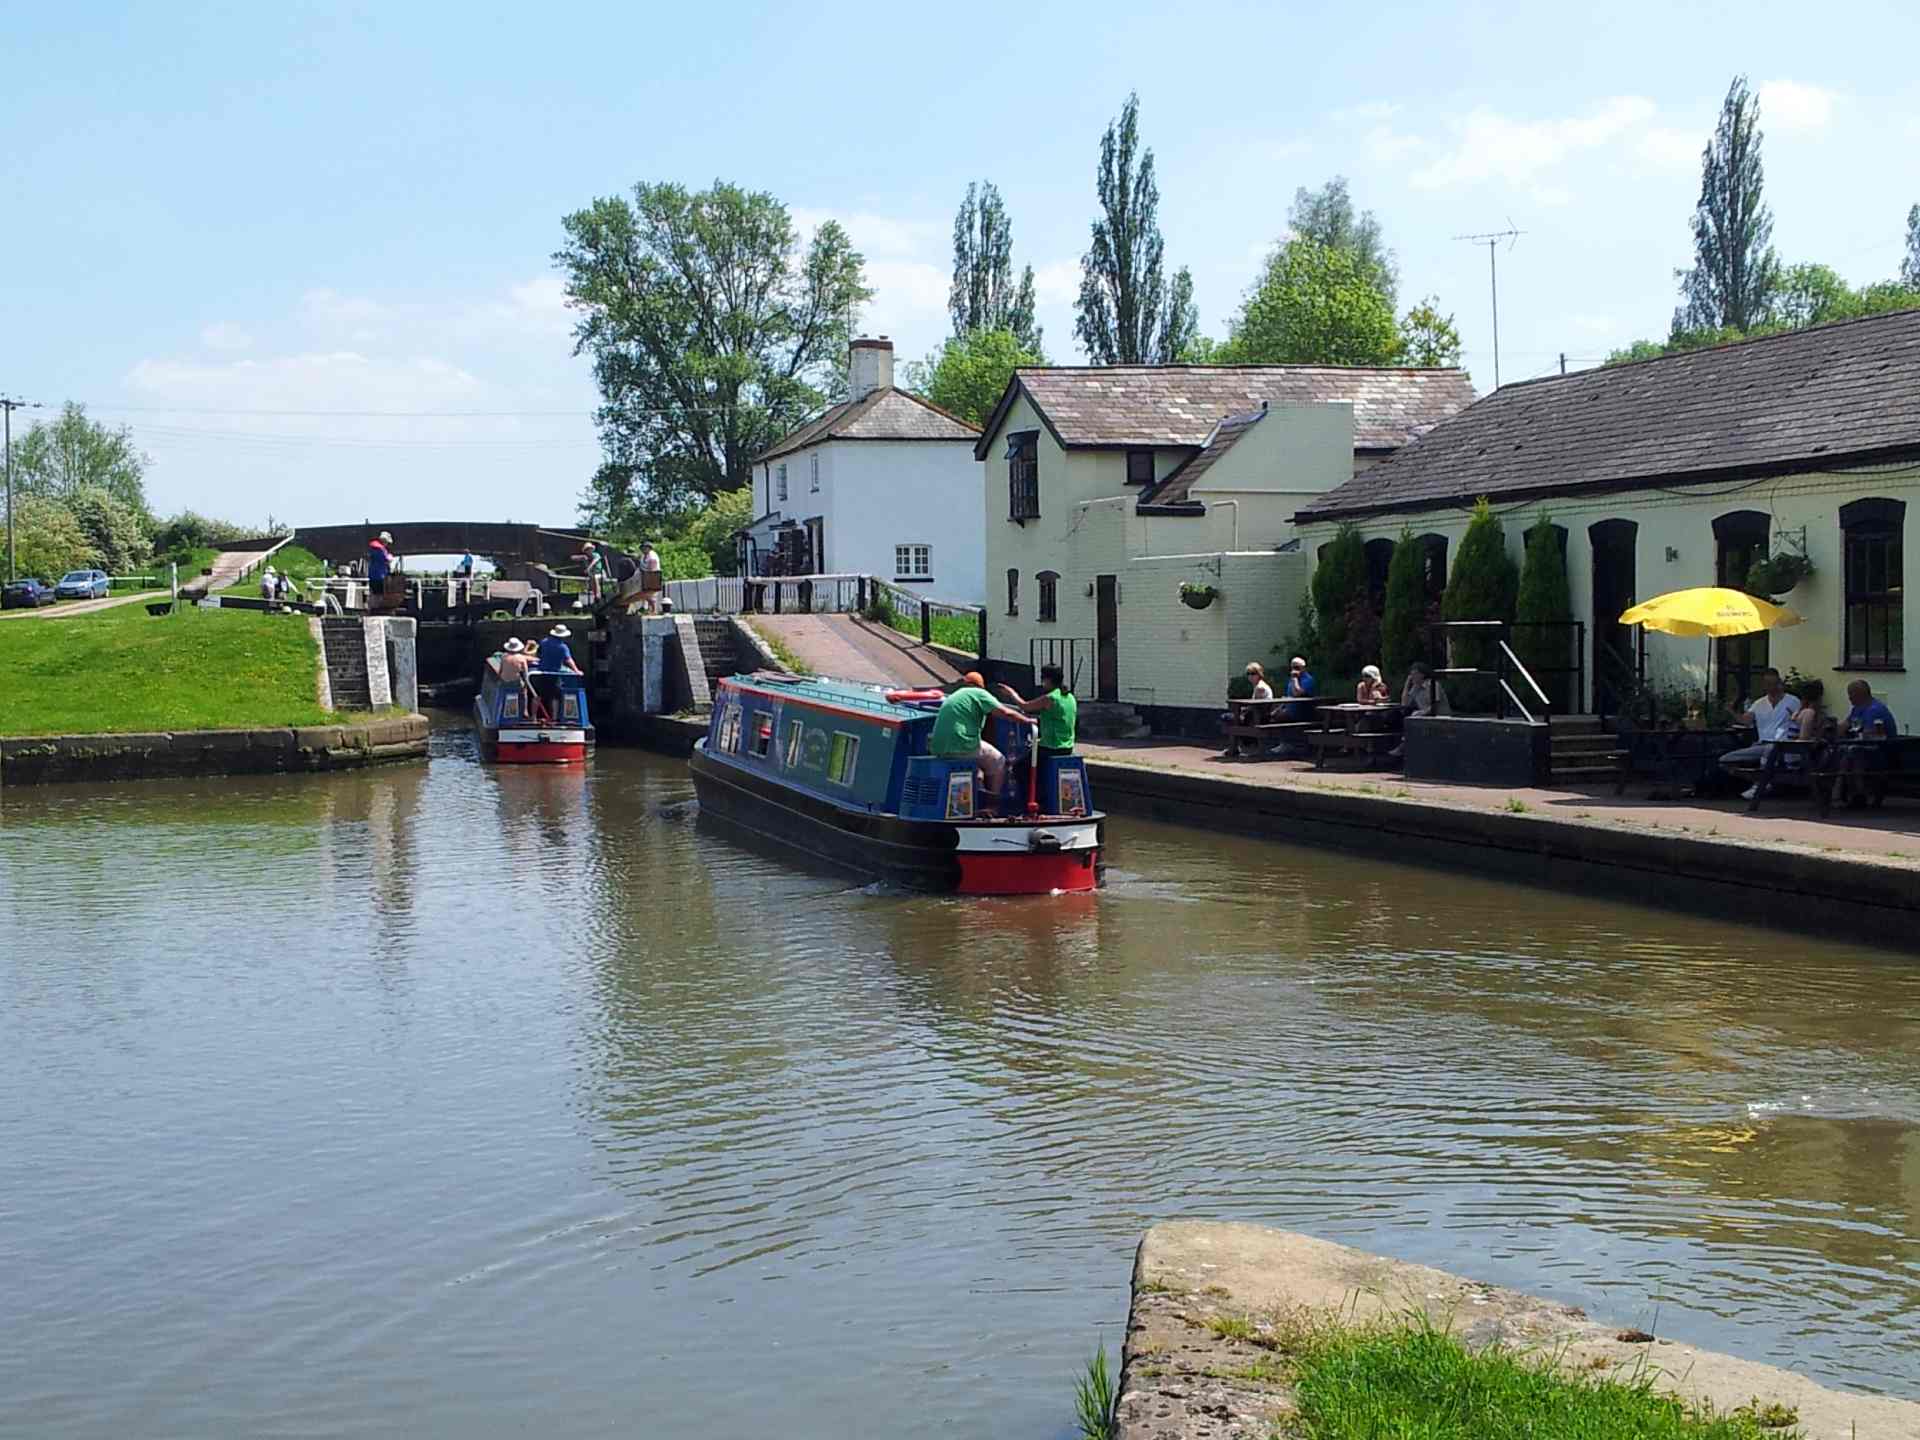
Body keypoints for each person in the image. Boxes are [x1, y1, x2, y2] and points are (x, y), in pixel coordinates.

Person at [931, 671, 1034, 813]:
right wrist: (1029, 721)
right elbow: (1006, 713)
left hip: (938, 748)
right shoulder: (979, 693)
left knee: (978, 768)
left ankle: (974, 803)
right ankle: (992, 806)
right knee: (998, 761)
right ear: (981, 686)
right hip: (962, 744)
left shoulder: (955, 696)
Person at [1836, 679, 1899, 805]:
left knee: (1853, 754)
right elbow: (1845, 726)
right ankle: (1845, 791)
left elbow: (1870, 734)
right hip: (1866, 748)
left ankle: (1857, 793)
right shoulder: (1857, 709)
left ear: (1860, 695)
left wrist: (1853, 735)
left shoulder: (1875, 710)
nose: (1849, 698)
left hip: (1882, 751)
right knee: (1840, 752)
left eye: (1851, 694)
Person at [998, 662, 1078, 758]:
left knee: (1019, 764)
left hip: (1051, 748)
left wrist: (1011, 693)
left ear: (1048, 680)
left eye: (1042, 678)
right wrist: (1034, 721)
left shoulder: (1050, 698)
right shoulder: (1070, 697)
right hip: (1068, 748)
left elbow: (1025, 706)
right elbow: (1059, 719)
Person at [497, 636, 535, 715]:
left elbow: (500, 671)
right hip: (515, 682)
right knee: (524, 692)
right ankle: (524, 711)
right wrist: (525, 684)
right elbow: (526, 673)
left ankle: (501, 709)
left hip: (504, 682)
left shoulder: (503, 656)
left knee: (503, 691)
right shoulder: (521, 658)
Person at [640, 539, 664, 614]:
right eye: (642, 548)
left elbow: (652, 569)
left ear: (649, 548)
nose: (643, 549)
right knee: (646, 594)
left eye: (645, 547)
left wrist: (647, 577)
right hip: (645, 576)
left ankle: (653, 610)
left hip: (653, 576)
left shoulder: (652, 556)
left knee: (651, 594)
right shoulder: (643, 555)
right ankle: (648, 609)